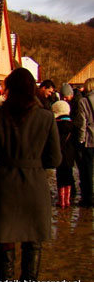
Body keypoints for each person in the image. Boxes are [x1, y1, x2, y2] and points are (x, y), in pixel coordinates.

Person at [0, 68, 61, 282]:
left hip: (5, 186)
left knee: (5, 243)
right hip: (35, 186)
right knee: (33, 244)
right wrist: (34, 161)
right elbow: (55, 159)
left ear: (10, 89)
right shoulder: (46, 117)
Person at [52, 101, 75, 207]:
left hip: (59, 153)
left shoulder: (55, 125)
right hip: (70, 154)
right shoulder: (72, 124)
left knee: (60, 176)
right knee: (69, 175)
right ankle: (67, 199)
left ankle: (61, 200)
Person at [75, 78, 94, 208]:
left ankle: (88, 197)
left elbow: (82, 122)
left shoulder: (83, 101)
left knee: (87, 170)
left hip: (89, 139)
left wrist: (80, 139)